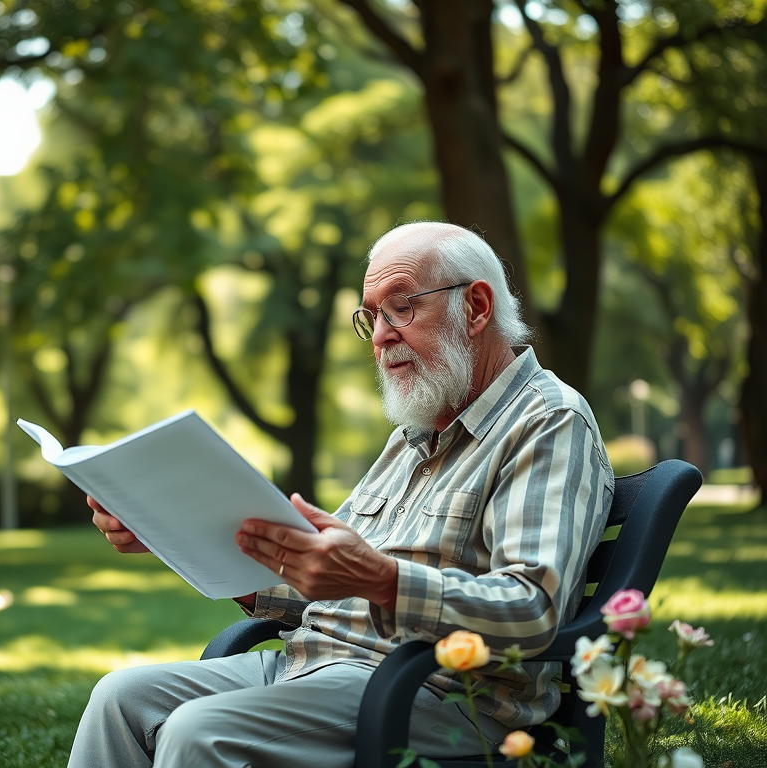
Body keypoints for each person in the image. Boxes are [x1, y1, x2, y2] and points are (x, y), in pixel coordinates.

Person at [69, 221, 614, 768]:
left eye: (402, 307)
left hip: (434, 694)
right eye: (372, 316)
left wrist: (380, 579)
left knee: (198, 730)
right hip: (314, 666)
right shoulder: (415, 433)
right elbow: (327, 586)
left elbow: (531, 609)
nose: (380, 336)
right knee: (119, 698)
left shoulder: (548, 422)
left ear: (475, 308)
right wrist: (175, 531)